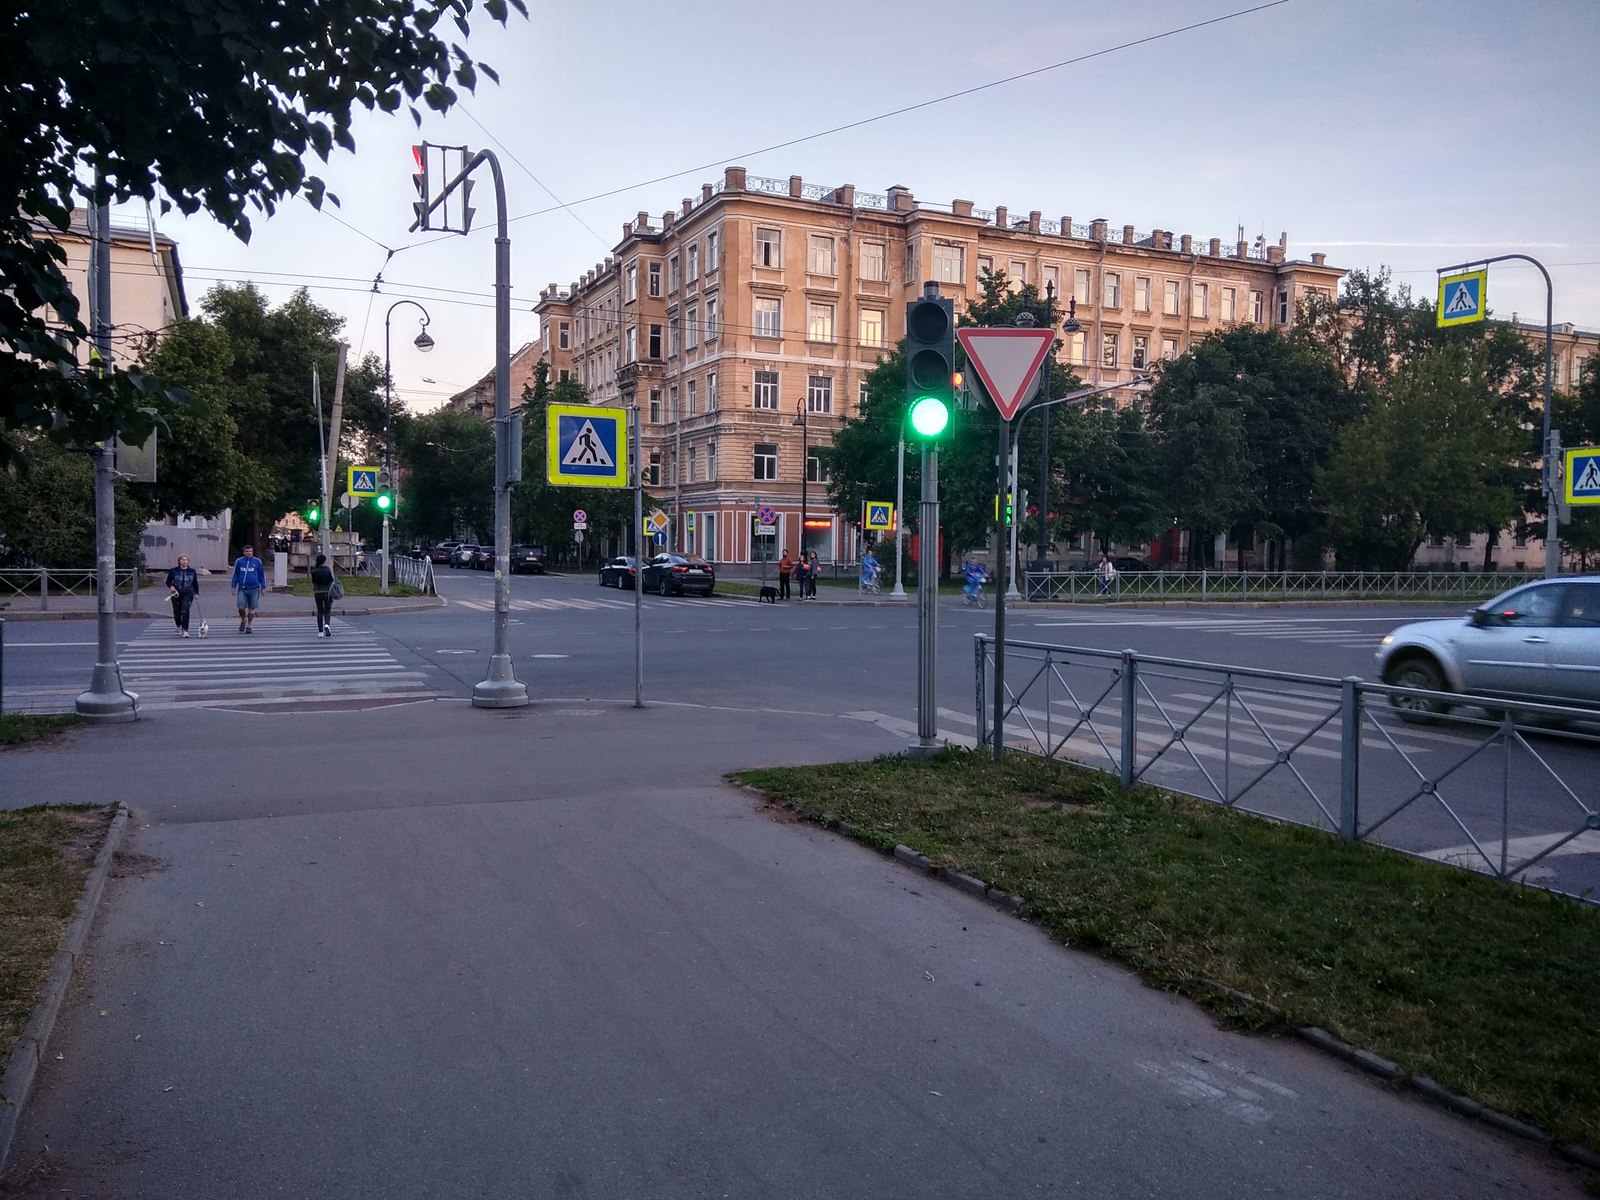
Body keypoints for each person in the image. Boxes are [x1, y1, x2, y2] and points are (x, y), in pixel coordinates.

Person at [230, 543, 267, 633]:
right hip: (242, 588)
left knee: (252, 608)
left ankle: (249, 626)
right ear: (244, 552)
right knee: (241, 607)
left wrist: (263, 587)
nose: (249, 553)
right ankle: (243, 619)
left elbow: (262, 575)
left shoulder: (257, 561)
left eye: (250, 551)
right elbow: (236, 574)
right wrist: (233, 586)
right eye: (247, 551)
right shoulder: (239, 561)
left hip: (254, 589)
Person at [165, 554, 199, 637]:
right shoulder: (174, 571)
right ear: (179, 561)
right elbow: (168, 581)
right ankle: (178, 625)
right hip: (176, 594)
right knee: (177, 612)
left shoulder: (192, 571)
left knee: (185, 610)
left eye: (186, 560)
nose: (185, 561)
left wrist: (196, 593)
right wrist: (171, 586)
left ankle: (185, 630)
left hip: (188, 593)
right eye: (183, 560)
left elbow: (195, 583)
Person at [309, 554, 336, 637]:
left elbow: (313, 582)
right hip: (327, 592)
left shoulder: (314, 571)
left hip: (318, 592)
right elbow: (331, 581)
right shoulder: (327, 570)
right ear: (324, 561)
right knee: (327, 610)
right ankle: (327, 624)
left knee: (320, 610)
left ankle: (320, 631)